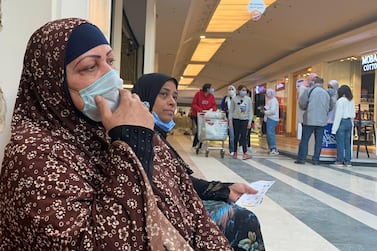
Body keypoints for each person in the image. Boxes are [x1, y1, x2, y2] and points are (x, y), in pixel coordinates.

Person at [0, 18, 232, 250]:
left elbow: (190, 206)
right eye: (90, 67)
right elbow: (105, 243)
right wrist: (131, 143)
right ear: (52, 84)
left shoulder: (115, 129)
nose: (111, 76)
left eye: (110, 61)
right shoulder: (32, 157)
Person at [132, 73, 265, 251]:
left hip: (175, 206)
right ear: (144, 99)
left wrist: (226, 189)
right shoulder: (137, 139)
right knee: (242, 218)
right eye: (163, 94)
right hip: (158, 217)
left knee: (235, 212)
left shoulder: (157, 137)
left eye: (174, 96)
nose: (172, 102)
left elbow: (180, 180)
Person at [295, 77, 331, 165]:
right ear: (322, 83)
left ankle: (302, 159)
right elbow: (330, 106)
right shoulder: (326, 93)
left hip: (309, 119)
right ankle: (315, 160)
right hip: (322, 121)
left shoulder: (308, 91)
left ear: (314, 82)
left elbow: (302, 103)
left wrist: (306, 109)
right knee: (319, 141)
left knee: (305, 140)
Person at [331, 85, 355, 167]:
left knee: (340, 143)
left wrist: (334, 129)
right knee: (347, 143)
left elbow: (338, 115)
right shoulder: (351, 100)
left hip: (342, 122)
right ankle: (348, 161)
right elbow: (353, 114)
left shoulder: (340, 101)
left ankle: (340, 160)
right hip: (349, 122)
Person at [229, 85, 253, 160]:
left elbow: (250, 111)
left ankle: (245, 152)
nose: (244, 92)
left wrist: (250, 121)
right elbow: (231, 111)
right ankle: (235, 152)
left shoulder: (248, 99)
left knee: (244, 136)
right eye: (242, 90)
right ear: (238, 91)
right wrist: (230, 121)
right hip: (236, 119)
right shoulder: (234, 99)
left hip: (244, 119)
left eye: (245, 90)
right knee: (236, 136)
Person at [191, 83, 217, 149]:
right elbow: (194, 104)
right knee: (199, 129)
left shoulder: (211, 96)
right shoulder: (198, 94)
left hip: (207, 115)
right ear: (207, 89)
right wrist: (200, 110)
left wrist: (213, 110)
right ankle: (195, 144)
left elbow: (214, 105)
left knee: (204, 130)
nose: (212, 89)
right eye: (211, 88)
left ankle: (200, 144)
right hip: (197, 115)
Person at [261, 88, 279, 154]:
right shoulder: (270, 100)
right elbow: (267, 107)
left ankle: (273, 148)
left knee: (270, 134)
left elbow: (273, 111)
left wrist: (265, 112)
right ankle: (271, 148)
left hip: (272, 119)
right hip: (269, 118)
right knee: (269, 134)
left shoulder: (274, 101)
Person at [220, 85, 236, 155]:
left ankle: (236, 148)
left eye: (232, 89)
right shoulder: (225, 99)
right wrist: (226, 110)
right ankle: (232, 150)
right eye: (229, 89)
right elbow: (222, 107)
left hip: (236, 118)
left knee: (236, 135)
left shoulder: (237, 98)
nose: (230, 91)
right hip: (228, 119)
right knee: (231, 135)